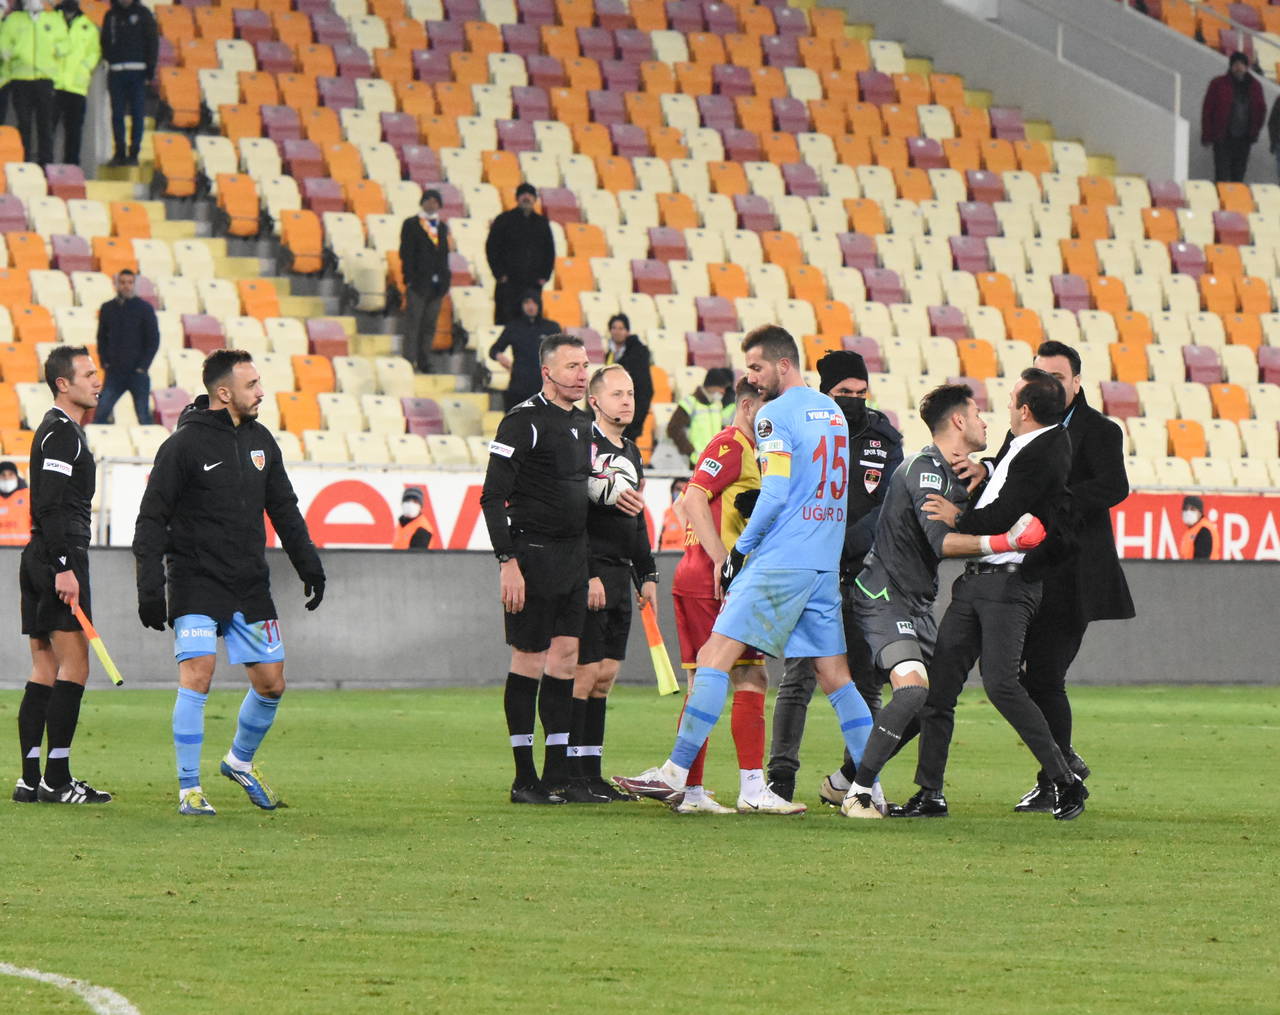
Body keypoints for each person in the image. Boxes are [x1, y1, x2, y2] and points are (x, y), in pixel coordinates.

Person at [615, 325, 877, 814]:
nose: (750, 378)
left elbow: (776, 492)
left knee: (715, 656)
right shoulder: (835, 416)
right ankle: (871, 789)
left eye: (756, 367)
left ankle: (675, 774)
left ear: (782, 364)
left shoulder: (775, 414)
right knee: (837, 677)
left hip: (780, 559)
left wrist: (740, 551)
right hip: (822, 561)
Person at [132, 349, 326, 817]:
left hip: (248, 583)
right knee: (197, 675)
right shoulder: (182, 446)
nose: (261, 392)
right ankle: (189, 789)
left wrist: (309, 565)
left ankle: (238, 760)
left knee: (272, 684)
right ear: (224, 393)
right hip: (196, 579)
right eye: (251, 384)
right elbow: (151, 519)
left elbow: (284, 508)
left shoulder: (262, 442)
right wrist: (149, 587)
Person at [910, 368, 1086, 821]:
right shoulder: (1025, 445)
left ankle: (1065, 780)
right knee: (941, 686)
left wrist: (958, 517)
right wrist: (984, 473)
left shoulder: (1043, 449)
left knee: (1003, 684)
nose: (1005, 405)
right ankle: (930, 793)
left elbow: (1008, 511)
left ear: (1025, 410)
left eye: (1011, 398)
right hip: (979, 581)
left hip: (1009, 584)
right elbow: (1002, 495)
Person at [765, 350, 904, 804]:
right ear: (825, 392)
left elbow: (887, 505)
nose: (855, 401)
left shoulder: (884, 436)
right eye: (845, 393)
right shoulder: (804, 427)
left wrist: (841, 542)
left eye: (861, 393)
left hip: (863, 575)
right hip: (813, 570)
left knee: (867, 682)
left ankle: (858, 781)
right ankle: (780, 778)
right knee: (799, 677)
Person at [480, 334, 609, 804]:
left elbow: (582, 502)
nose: (582, 374)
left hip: (573, 559)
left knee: (566, 661)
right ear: (547, 372)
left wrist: (591, 567)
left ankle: (557, 774)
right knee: (530, 661)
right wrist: (507, 561)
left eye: (586, 365)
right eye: (573, 366)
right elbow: (492, 497)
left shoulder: (583, 423)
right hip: (531, 557)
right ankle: (523, 777)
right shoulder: (521, 423)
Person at [1009, 341, 1134, 812]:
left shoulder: (1100, 430)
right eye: (1040, 376)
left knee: (1044, 676)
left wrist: (1055, 499)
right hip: (1033, 569)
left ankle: (1054, 778)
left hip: (1074, 572)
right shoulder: (1024, 425)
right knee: (1011, 676)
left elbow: (1113, 485)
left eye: (1058, 377)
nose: (1049, 385)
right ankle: (1062, 762)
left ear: (1077, 382)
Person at [657, 375, 785, 814]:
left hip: (710, 577)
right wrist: (719, 560)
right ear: (750, 407)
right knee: (742, 678)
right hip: (710, 579)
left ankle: (693, 792)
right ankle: (748, 789)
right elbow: (691, 499)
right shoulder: (731, 446)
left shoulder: (754, 451)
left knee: (715, 681)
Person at [14, 345, 110, 804]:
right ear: (62, 384)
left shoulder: (58, 432)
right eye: (88, 374)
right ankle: (57, 779)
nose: (97, 381)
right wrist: (66, 566)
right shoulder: (62, 434)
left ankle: (30, 779)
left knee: (44, 666)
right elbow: (50, 503)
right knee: (75, 665)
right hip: (59, 555)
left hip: (37, 555)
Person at [567, 364, 657, 803]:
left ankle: (592, 773)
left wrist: (648, 573)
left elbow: (636, 516)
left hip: (622, 573)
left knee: (605, 677)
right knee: (582, 676)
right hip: (594, 572)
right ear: (595, 400)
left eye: (632, 392)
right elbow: (573, 517)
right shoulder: (583, 445)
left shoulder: (633, 452)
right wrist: (588, 574)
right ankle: (570, 774)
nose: (627, 400)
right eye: (618, 393)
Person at [0, 0, 67, 167]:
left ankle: (46, 164)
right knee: (24, 124)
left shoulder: (54, 20)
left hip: (45, 80)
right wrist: (15, 53)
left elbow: (65, 45)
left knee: (46, 125)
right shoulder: (14, 20)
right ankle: (25, 162)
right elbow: (3, 44)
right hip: (21, 79)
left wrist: (55, 49)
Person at [95, 267, 159, 425]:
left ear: (134, 284)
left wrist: (143, 367)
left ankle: (152, 448)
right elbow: (101, 338)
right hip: (114, 373)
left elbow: (153, 340)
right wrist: (105, 362)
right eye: (122, 282)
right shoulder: (107, 308)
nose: (126, 286)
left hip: (138, 374)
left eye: (130, 282)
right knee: (101, 413)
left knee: (143, 416)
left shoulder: (145, 309)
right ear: (117, 284)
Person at [398, 188, 452, 373]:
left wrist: (445, 281)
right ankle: (408, 361)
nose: (432, 204)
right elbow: (406, 253)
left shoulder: (442, 227)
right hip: (418, 282)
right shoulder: (411, 224)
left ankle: (424, 361)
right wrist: (409, 278)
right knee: (413, 324)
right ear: (422, 202)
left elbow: (444, 255)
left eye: (435, 201)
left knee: (429, 325)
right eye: (428, 200)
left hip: (437, 285)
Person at [485, 182, 555, 325]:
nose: (526, 198)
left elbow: (549, 251)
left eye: (530, 195)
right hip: (508, 283)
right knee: (506, 321)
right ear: (517, 198)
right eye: (523, 194)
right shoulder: (504, 220)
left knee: (530, 325)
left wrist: (544, 276)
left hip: (533, 284)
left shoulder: (542, 223)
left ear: (535, 199)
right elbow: (491, 248)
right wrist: (499, 274)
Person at [100, 0, 157, 167]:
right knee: (117, 114)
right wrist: (111, 58)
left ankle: (134, 154)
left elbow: (152, 42)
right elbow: (105, 41)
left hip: (138, 72)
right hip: (116, 72)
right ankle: (119, 153)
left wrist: (150, 71)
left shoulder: (144, 14)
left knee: (137, 114)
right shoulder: (110, 15)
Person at [487, 290, 560, 410]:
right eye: (526, 302)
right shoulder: (513, 327)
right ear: (521, 305)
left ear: (539, 305)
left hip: (544, 384)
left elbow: (562, 352)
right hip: (519, 383)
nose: (530, 306)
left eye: (534, 303)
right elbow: (494, 350)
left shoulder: (551, 327)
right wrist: (500, 357)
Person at [1201, 51, 1265, 184]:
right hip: (1222, 137)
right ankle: (1222, 202)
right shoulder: (1218, 84)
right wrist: (1207, 135)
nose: (1239, 67)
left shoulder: (1255, 86)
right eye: (1236, 64)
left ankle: (1236, 202)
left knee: (1239, 176)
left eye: (1242, 64)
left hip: (1244, 139)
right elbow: (1208, 110)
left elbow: (1261, 110)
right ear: (1230, 66)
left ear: (1247, 67)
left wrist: (1254, 132)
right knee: (1222, 175)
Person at [53, 0, 98, 166]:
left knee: (74, 131)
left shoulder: (88, 26)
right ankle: (45, 166)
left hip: (77, 88)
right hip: (53, 85)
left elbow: (94, 53)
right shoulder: (51, 21)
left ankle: (71, 166)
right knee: (46, 131)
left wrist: (85, 69)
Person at [666, 366, 735, 467]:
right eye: (722, 387)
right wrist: (690, 452)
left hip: (715, 460)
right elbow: (673, 429)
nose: (723, 391)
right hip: (695, 462)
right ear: (712, 385)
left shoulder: (717, 404)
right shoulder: (690, 403)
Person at [604, 313, 653, 444]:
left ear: (627, 331)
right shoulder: (610, 354)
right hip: (611, 417)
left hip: (628, 419)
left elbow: (645, 389)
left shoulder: (637, 354)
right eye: (614, 327)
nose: (617, 331)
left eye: (621, 328)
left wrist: (635, 420)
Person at [391, 485, 433, 550]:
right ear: (402, 503)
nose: (410, 504)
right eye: (407, 501)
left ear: (420, 506)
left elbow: (416, 557)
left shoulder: (422, 529)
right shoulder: (401, 523)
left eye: (415, 501)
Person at [1179, 495, 1220, 560]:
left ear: (1200, 512)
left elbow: (1201, 562)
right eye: (1185, 509)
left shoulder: (1204, 530)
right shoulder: (1191, 530)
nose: (1188, 512)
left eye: (1192, 509)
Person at [0, 460, 30, 546]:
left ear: (16, 476)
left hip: (22, 550)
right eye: (3, 475)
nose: (6, 478)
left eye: (10, 474)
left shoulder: (28, 497)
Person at [658, 477, 688, 551]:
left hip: (684, 557)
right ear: (672, 492)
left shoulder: (694, 514)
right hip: (665, 558)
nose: (680, 493)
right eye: (678, 489)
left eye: (684, 490)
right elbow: (661, 540)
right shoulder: (667, 513)